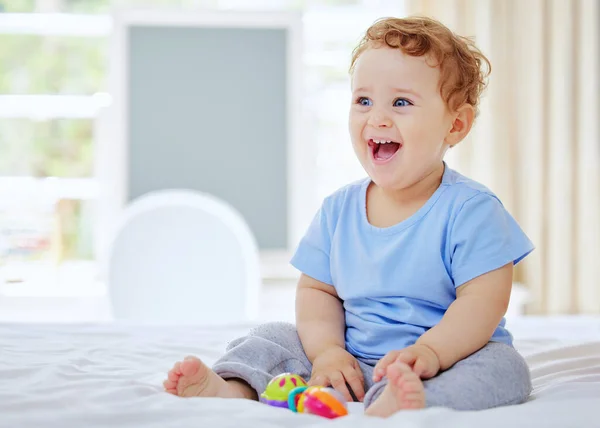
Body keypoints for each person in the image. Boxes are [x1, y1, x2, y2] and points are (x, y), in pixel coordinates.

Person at [163, 16, 534, 417]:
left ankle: (414, 399)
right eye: (363, 101)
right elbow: (317, 292)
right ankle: (233, 387)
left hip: (444, 358)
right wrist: (327, 352)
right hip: (349, 359)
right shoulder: (338, 210)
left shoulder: (471, 210)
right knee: (272, 337)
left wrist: (431, 352)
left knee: (505, 368)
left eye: (402, 102)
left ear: (455, 124)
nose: (377, 118)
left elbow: (485, 301)